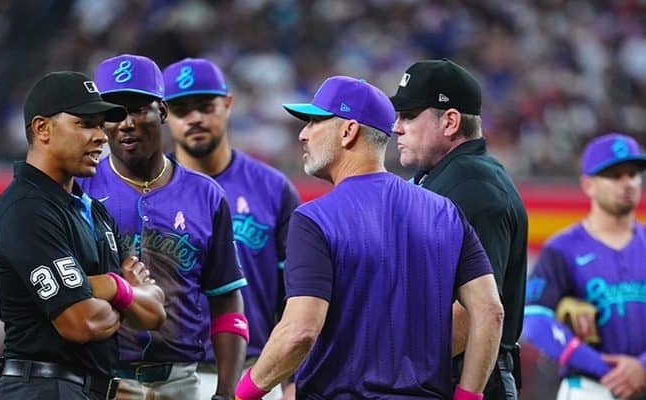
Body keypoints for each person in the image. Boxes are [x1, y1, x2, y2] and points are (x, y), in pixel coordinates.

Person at [234, 76, 504, 400]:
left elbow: (300, 332)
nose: (303, 134)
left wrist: (243, 393)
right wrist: (468, 396)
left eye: (315, 121)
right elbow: (490, 311)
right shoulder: (445, 212)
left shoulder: (315, 219)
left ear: (348, 131)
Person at [0, 71, 166, 400]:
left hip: (88, 389)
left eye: (100, 125)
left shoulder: (95, 211)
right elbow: (81, 322)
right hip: (40, 388)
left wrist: (113, 288)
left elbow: (155, 312)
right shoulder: (26, 208)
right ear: (42, 128)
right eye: (85, 124)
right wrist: (123, 291)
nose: (101, 137)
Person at [78, 54, 247, 400]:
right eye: (114, 112)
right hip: (103, 378)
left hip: (180, 381)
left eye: (139, 109)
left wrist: (227, 391)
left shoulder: (206, 195)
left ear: (163, 111)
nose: (126, 123)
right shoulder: (80, 189)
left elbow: (226, 297)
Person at [161, 57, 300, 400]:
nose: (195, 118)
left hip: (256, 373)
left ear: (228, 104)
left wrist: (294, 378)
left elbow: (295, 293)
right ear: (164, 115)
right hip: (171, 376)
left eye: (205, 106)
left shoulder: (272, 187)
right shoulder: (152, 189)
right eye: (181, 109)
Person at [389, 58, 529, 399]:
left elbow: (474, 311)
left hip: (467, 379)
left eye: (409, 116)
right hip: (440, 375)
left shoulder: (473, 187)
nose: (396, 127)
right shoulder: (442, 178)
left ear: (450, 122)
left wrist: (385, 363)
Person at [524, 133, 646, 400]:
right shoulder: (563, 248)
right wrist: (609, 370)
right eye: (615, 175)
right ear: (588, 185)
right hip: (591, 387)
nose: (628, 183)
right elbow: (535, 320)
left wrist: (642, 367)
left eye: (633, 174)